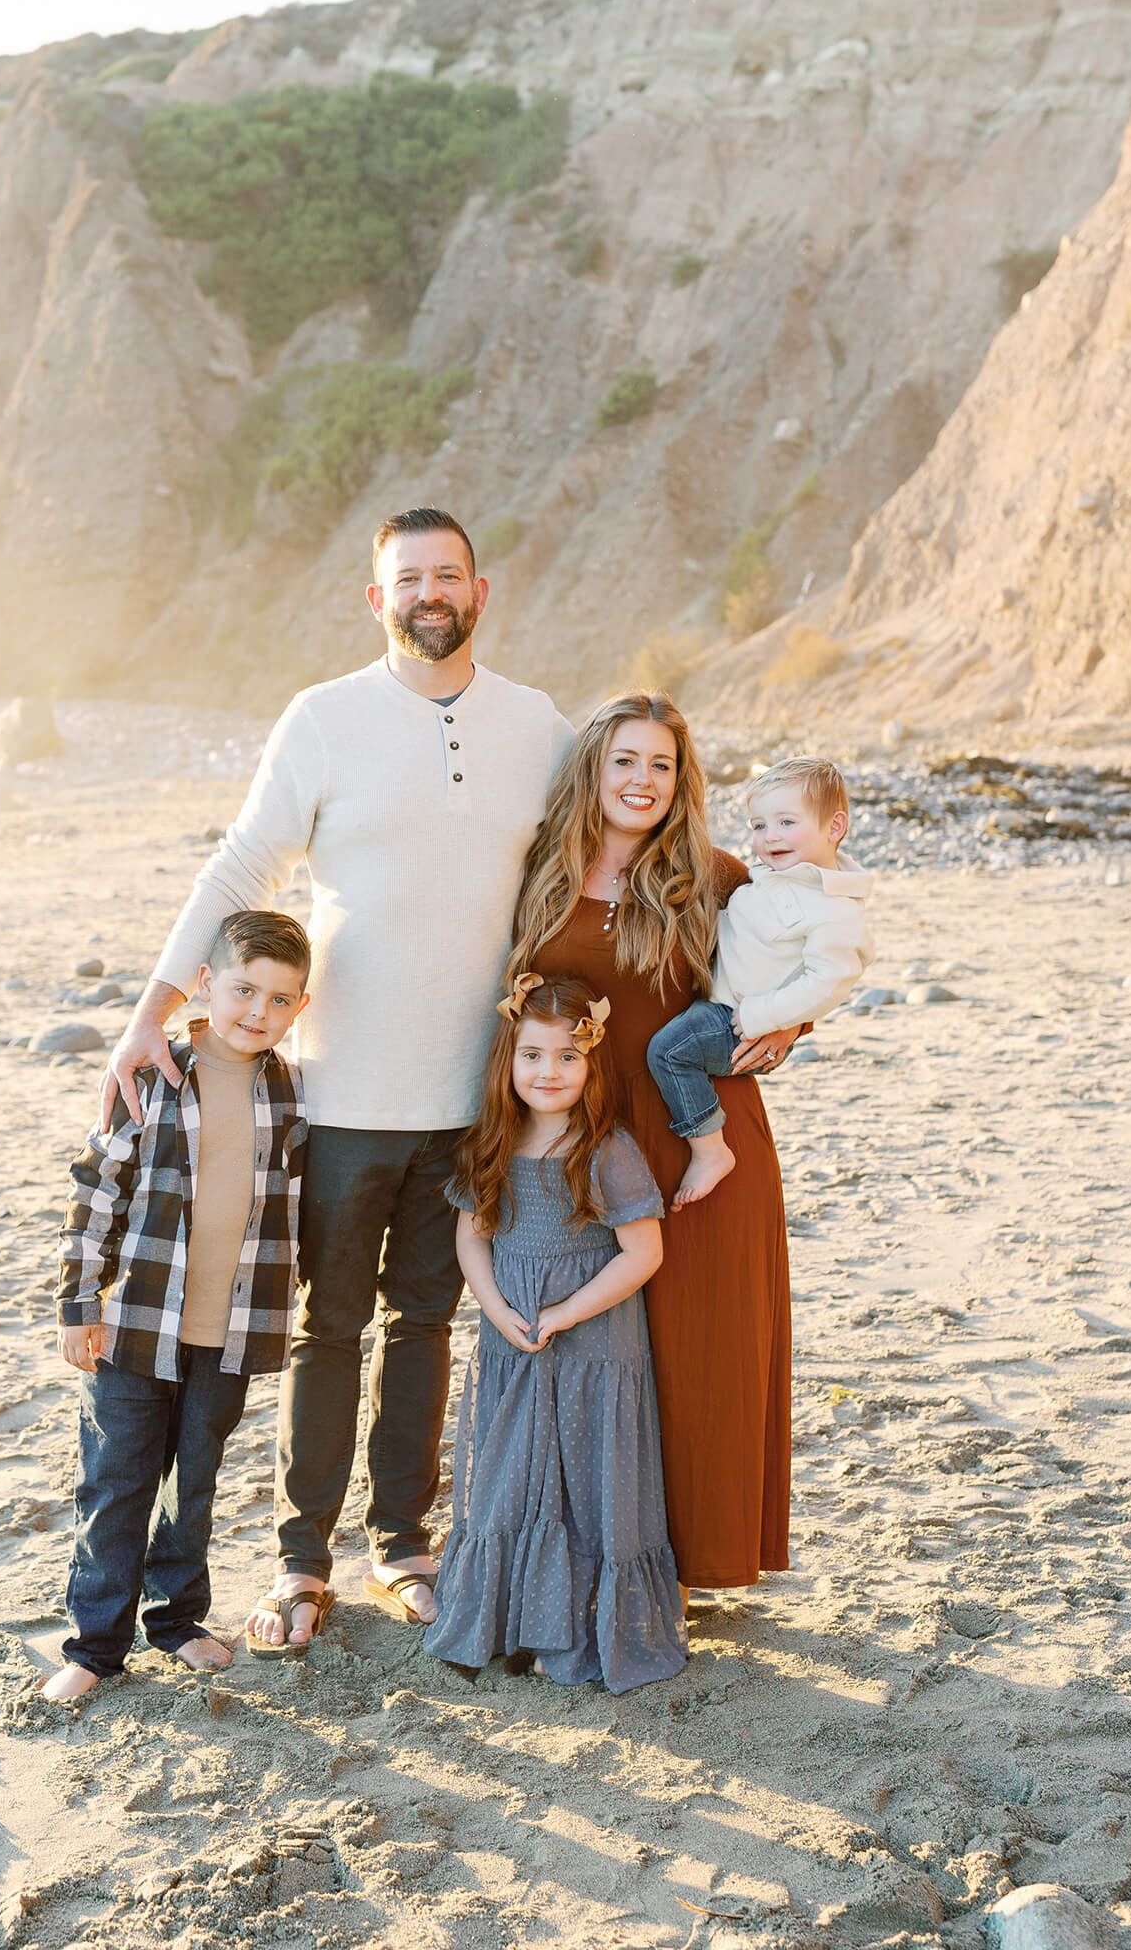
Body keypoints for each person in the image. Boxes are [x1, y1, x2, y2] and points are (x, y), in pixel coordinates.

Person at [98, 507, 573, 1653]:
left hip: (472, 1095)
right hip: (342, 1092)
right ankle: (302, 1562)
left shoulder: (540, 725)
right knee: (330, 1327)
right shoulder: (325, 718)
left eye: (448, 575)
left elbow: (610, 855)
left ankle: (403, 1543)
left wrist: (770, 990)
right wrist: (152, 1006)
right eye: (407, 578)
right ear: (377, 599)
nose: (429, 593)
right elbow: (243, 860)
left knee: (427, 1321)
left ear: (481, 591)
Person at [510, 692, 802, 1606]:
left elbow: (798, 960)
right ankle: (614, 1555)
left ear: (683, 781)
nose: (642, 781)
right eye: (625, 761)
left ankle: (693, 1563)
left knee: (703, 1345)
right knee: (603, 1352)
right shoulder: (541, 872)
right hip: (587, 1140)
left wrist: (790, 1025)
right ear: (592, 769)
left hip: (698, 1133)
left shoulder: (715, 876)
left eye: (662, 765)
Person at [43, 910, 312, 1699]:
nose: (257, 1011)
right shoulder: (154, 1072)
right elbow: (96, 1191)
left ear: (300, 1008)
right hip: (134, 1325)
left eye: (280, 999)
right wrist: (78, 1302)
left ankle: (177, 1619)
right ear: (204, 985)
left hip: (228, 1331)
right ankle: (93, 1648)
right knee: (118, 1482)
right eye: (243, 989)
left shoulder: (291, 1089)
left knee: (192, 1482)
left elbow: (293, 1202)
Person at [423, 976, 688, 1693]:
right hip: (513, 1342)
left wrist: (567, 1313)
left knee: (584, 1485)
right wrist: (495, 1307)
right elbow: (472, 1237)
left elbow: (644, 1253)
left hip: (593, 1350)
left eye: (568, 1058)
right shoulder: (493, 1145)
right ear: (508, 1061)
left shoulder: (607, 1149)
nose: (549, 1072)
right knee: (508, 1481)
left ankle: (574, 1630)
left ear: (591, 1066)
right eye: (533, 1056)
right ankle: (508, 1623)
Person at [646, 755, 873, 1207]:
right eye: (758, 825)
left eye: (787, 822)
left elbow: (828, 983)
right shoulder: (772, 879)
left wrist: (763, 1017)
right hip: (728, 1006)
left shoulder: (836, 910)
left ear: (835, 826)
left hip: (735, 1019)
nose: (770, 837)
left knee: (669, 1053)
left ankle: (710, 1149)